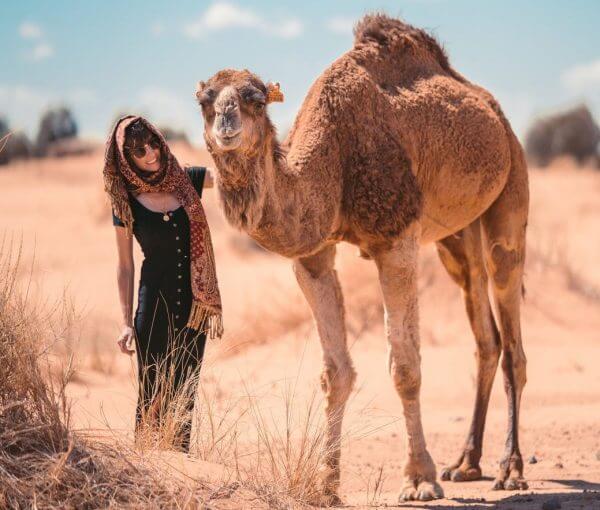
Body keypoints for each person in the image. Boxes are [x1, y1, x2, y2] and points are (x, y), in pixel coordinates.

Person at [103, 116, 223, 452]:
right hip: (153, 306)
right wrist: (126, 322)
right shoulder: (123, 199)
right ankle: (147, 470)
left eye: (153, 143)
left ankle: (180, 471)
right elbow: (125, 265)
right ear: (127, 157)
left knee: (184, 394)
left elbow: (231, 176)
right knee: (151, 391)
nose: (151, 153)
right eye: (139, 150)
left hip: (194, 308)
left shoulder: (188, 179)